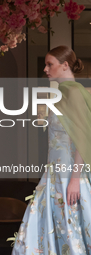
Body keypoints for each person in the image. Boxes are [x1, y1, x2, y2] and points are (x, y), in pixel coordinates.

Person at [12, 46, 91, 254]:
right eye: (45, 65)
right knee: (55, 226)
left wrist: (75, 179)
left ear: (65, 65)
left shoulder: (72, 92)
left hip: (68, 176)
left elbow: (83, 138)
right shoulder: (62, 92)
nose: (45, 69)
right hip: (54, 174)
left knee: (68, 228)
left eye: (50, 64)